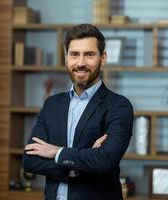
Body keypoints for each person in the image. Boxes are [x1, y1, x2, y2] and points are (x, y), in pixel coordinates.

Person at [23, 23, 134, 200]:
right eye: (74, 54)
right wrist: (78, 167)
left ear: (103, 58)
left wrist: (56, 152)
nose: (81, 63)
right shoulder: (52, 104)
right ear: (67, 58)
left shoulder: (119, 106)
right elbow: (30, 161)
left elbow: (105, 160)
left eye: (89, 55)